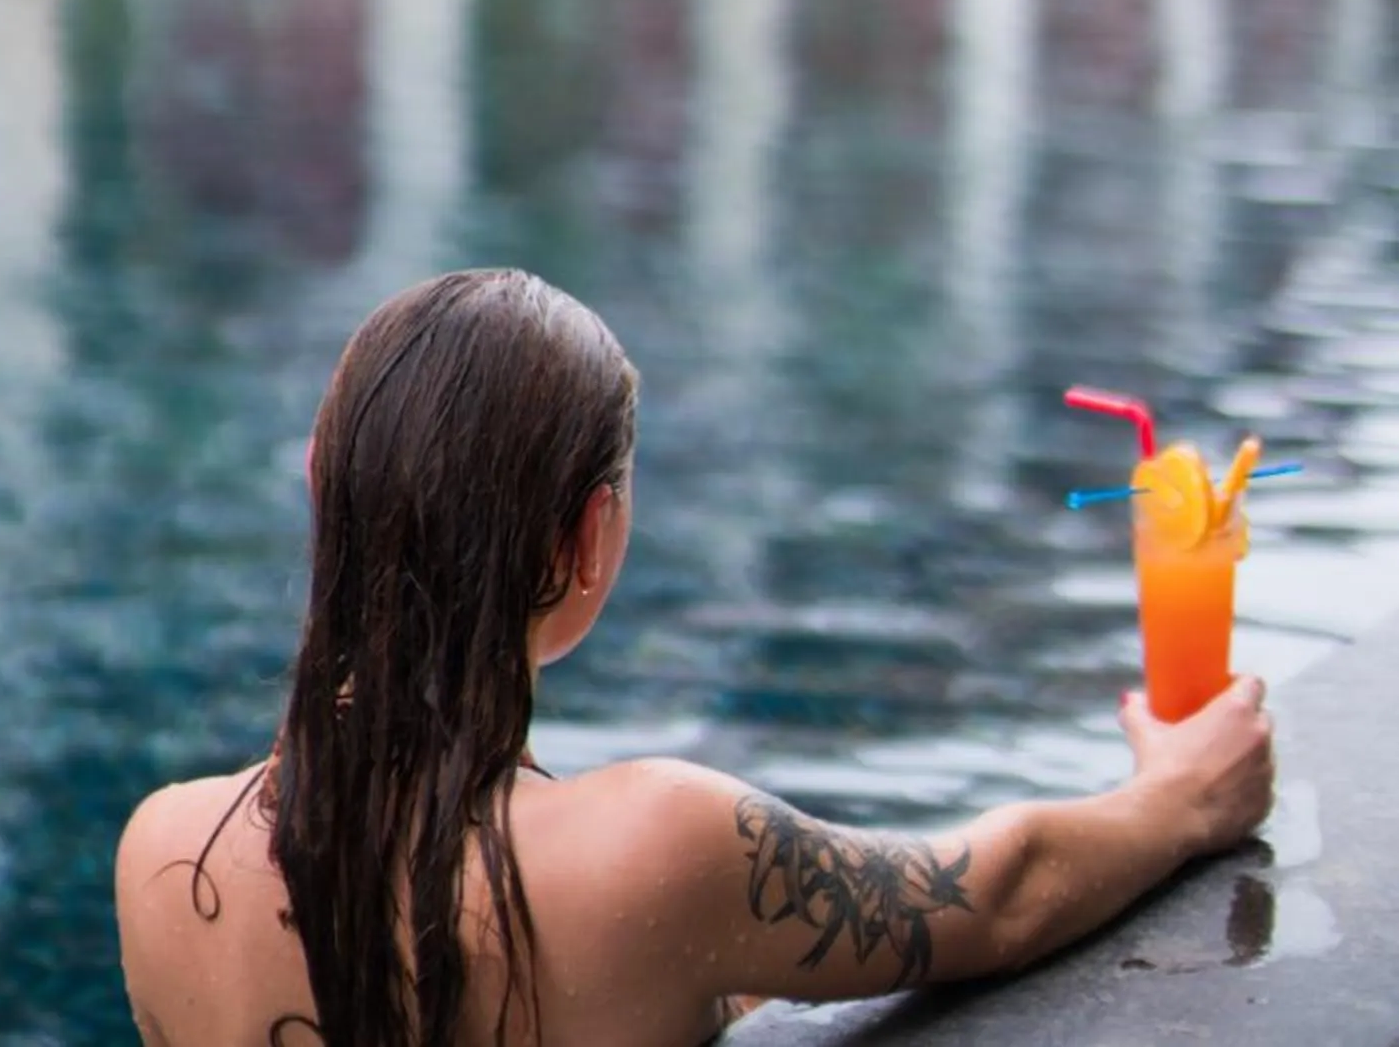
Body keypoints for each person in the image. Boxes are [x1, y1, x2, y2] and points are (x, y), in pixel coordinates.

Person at [115, 269, 1274, 1047]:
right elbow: (1001, 890)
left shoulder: (162, 859)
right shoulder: (656, 848)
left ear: (322, 491)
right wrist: (1178, 800)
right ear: (588, 538)